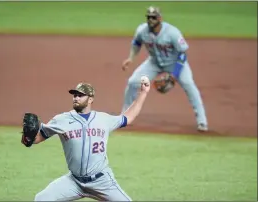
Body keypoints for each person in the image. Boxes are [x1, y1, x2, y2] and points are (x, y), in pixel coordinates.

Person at [21, 81, 150, 201]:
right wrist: (27, 138)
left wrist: (143, 93)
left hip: (102, 181)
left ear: (90, 99)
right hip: (74, 181)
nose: (76, 98)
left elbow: (128, 117)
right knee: (41, 199)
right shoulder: (61, 120)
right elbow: (36, 139)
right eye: (74, 95)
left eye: (80, 95)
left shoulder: (103, 119)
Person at [121, 6, 208, 132]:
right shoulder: (142, 30)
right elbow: (137, 43)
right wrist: (131, 58)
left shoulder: (172, 32)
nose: (151, 20)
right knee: (133, 82)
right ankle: (126, 115)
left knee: (189, 85)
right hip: (154, 62)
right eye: (149, 17)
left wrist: (175, 74)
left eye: (154, 17)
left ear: (160, 18)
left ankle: (202, 121)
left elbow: (182, 53)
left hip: (175, 63)